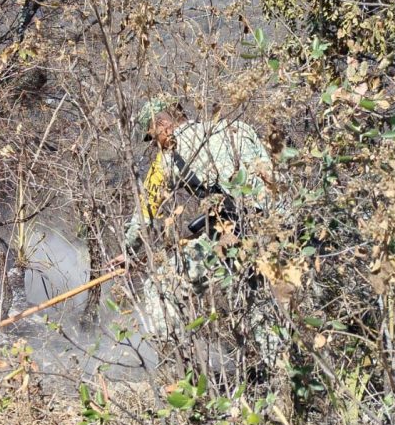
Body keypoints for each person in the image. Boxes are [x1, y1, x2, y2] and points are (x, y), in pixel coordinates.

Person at [118, 95, 281, 366]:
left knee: (161, 286)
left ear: (162, 125)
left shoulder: (168, 159)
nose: (155, 145)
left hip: (236, 235)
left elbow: (145, 214)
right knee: (260, 302)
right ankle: (281, 377)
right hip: (276, 229)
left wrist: (128, 252)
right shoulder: (237, 129)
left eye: (152, 136)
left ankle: (178, 373)